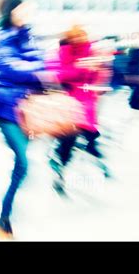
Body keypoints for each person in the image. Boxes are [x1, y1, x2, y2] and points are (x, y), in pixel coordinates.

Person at [0, 0, 46, 239]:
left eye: (27, 10)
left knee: (22, 166)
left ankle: (14, 190)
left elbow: (41, 61)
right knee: (23, 161)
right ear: (10, 12)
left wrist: (38, 69)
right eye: (21, 10)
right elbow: (10, 67)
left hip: (29, 109)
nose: (26, 14)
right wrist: (36, 71)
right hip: (6, 109)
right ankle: (4, 218)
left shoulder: (29, 36)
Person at [47, 26, 110, 196]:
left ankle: (60, 161)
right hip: (69, 104)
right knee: (69, 139)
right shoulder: (63, 53)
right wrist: (80, 67)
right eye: (74, 37)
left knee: (90, 136)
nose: (78, 40)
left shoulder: (91, 51)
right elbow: (57, 74)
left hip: (88, 103)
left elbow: (100, 74)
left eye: (81, 37)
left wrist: (97, 74)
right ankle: (60, 167)